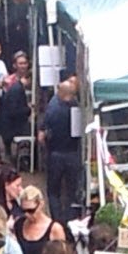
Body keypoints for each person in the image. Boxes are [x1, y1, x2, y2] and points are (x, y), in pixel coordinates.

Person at [39, 80, 80, 224]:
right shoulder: (77, 108)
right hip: (73, 154)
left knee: (53, 191)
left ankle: (57, 220)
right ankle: (69, 219)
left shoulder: (52, 108)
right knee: (71, 190)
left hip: (55, 154)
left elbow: (43, 135)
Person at [13, 184, 64, 254]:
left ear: (41, 204)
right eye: (23, 211)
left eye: (31, 211)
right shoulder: (19, 225)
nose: (27, 215)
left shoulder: (55, 229)